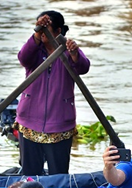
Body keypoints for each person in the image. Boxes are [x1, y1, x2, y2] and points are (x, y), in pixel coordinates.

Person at [16, 10, 91, 176]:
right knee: (29, 173)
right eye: (39, 29)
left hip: (60, 122)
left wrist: (74, 54)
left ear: (58, 31)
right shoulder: (35, 50)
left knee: (58, 174)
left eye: (46, 29)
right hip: (29, 120)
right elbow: (23, 58)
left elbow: (83, 67)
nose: (42, 33)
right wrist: (36, 34)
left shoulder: (67, 51)